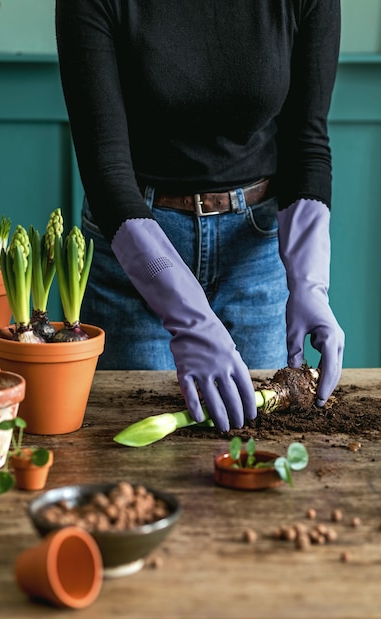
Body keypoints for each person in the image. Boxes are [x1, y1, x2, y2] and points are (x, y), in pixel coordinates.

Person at [55, 0, 345, 433]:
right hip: (136, 259)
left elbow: (307, 143)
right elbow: (106, 171)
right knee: (136, 460)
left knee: (257, 454)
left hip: (256, 256)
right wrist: (188, 316)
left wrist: (309, 284)